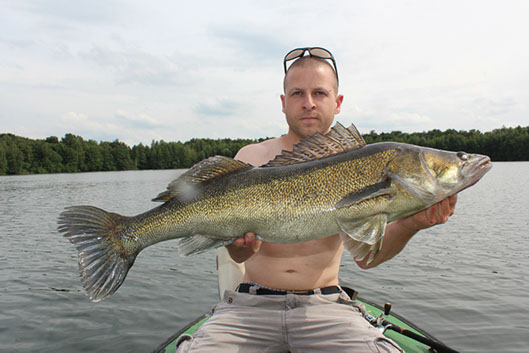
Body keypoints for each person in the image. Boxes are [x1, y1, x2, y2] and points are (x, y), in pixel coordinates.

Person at [176, 47, 457, 353]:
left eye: (319, 93)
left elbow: (366, 257)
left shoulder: (359, 164)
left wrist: (411, 224)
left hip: (327, 306)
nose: (308, 103)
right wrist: (237, 245)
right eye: (297, 93)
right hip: (249, 306)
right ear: (283, 104)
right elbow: (240, 256)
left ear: (337, 103)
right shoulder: (251, 158)